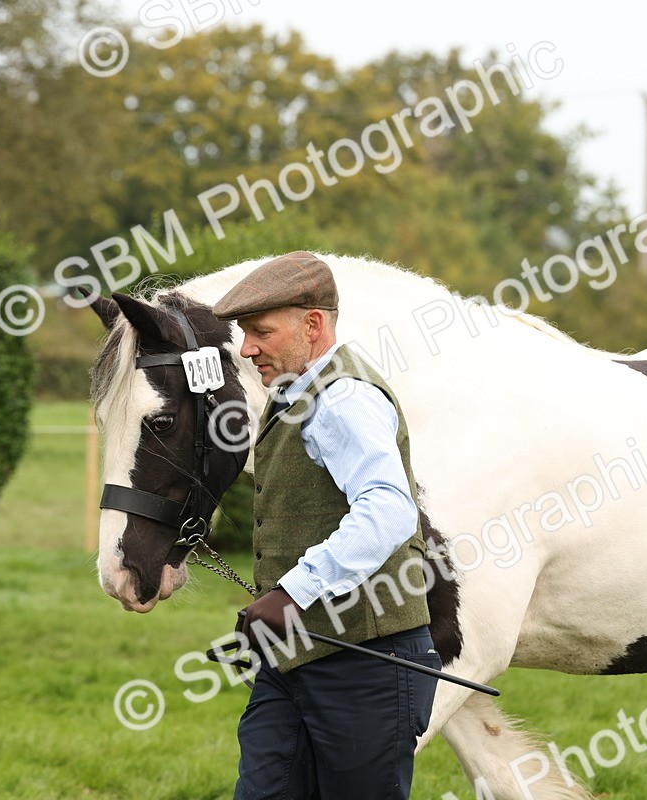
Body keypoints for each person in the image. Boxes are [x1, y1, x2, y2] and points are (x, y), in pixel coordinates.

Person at [212, 251, 440, 800]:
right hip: (294, 655)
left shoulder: (344, 398)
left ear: (312, 325)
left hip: (368, 665)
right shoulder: (296, 393)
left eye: (261, 332)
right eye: (245, 334)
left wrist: (293, 592)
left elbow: (389, 508)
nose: (246, 349)